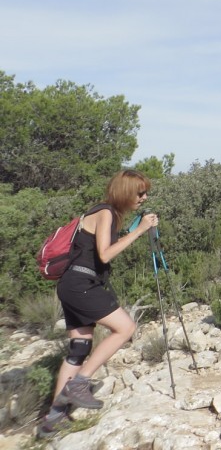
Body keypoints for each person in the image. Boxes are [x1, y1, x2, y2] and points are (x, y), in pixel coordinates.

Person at [39, 170, 160, 438]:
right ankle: (80, 383)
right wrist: (140, 231)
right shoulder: (105, 212)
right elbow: (105, 255)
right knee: (125, 328)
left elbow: (101, 247)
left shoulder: (108, 215)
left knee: (79, 348)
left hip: (72, 284)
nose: (144, 197)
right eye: (140, 193)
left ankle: (52, 420)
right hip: (82, 284)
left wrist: (132, 227)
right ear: (126, 192)